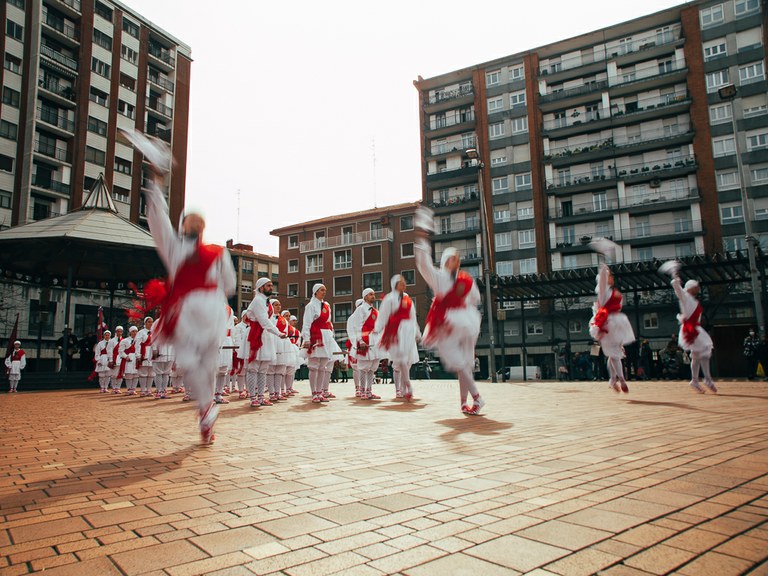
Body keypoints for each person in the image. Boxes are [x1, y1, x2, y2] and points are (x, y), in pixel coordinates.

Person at [143, 167, 237, 444]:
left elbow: (230, 285)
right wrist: (156, 186)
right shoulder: (176, 247)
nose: (195, 225)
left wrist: (214, 298)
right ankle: (206, 410)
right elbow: (157, 221)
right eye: (190, 221)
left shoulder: (216, 252)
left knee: (205, 365)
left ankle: (206, 411)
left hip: (207, 310)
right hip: (189, 311)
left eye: (199, 222)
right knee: (191, 362)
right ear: (183, 225)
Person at [414, 215, 486, 415]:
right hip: (462, 321)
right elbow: (424, 265)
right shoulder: (441, 276)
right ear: (446, 261)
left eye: (457, 258)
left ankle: (476, 398)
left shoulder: (463, 279)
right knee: (463, 364)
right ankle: (464, 403)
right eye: (453, 258)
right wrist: (422, 241)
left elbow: (474, 299)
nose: (456, 261)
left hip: (455, 322)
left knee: (462, 363)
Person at [589, 263, 635, 393]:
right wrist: (604, 268)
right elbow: (602, 281)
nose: (612, 277)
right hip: (608, 323)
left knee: (614, 354)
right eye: (610, 276)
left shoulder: (611, 291)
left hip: (616, 322)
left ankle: (614, 380)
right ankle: (620, 379)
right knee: (614, 354)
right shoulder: (603, 291)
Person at [239, 278, 285, 408]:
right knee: (253, 368)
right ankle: (253, 397)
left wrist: (276, 332)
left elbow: (268, 321)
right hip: (256, 334)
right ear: (261, 288)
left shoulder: (266, 301)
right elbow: (263, 320)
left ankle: (260, 396)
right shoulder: (258, 300)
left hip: (265, 335)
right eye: (268, 286)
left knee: (263, 368)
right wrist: (278, 333)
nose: (271, 287)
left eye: (271, 285)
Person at [376, 274, 420, 401]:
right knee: (400, 360)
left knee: (407, 361)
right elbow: (383, 315)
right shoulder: (389, 298)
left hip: (408, 331)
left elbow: (413, 317)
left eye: (404, 282)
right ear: (395, 285)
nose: (404, 284)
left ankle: (405, 387)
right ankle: (403, 388)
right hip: (395, 331)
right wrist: (377, 328)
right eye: (401, 282)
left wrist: (417, 332)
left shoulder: (407, 298)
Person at [672, 277, 717, 393]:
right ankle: (706, 379)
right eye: (696, 286)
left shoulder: (692, 299)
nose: (698, 288)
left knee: (697, 355)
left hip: (694, 328)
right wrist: (675, 281)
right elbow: (678, 290)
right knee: (704, 350)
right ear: (690, 288)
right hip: (690, 328)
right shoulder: (685, 297)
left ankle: (696, 380)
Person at [302, 283, 342, 403]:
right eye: (321, 290)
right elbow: (307, 323)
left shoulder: (327, 305)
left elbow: (328, 322)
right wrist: (307, 339)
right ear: (315, 292)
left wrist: (331, 334)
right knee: (314, 366)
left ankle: (320, 392)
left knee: (323, 366)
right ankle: (314, 393)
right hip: (315, 335)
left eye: (325, 290)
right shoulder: (310, 306)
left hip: (326, 336)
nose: (324, 292)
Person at [346, 288, 380, 400]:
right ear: (365, 297)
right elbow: (357, 326)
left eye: (373, 294)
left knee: (372, 367)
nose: (373, 296)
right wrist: (360, 340)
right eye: (370, 294)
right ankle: (362, 391)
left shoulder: (375, 310)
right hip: (365, 340)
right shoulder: (360, 309)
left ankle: (369, 391)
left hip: (374, 340)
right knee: (364, 367)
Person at [134, 316, 156, 397]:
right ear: (145, 323)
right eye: (149, 322)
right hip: (144, 353)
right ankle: (143, 390)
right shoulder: (141, 332)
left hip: (152, 353)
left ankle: (149, 390)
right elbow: (137, 344)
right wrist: (138, 355)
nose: (150, 323)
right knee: (143, 373)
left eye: (151, 322)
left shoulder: (154, 332)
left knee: (151, 373)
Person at [118, 326, 140, 395]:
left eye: (136, 331)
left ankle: (133, 389)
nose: (135, 333)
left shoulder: (140, 340)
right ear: (130, 332)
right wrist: (126, 356)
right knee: (129, 374)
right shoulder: (125, 341)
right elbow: (120, 351)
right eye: (133, 331)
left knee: (136, 374)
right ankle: (129, 389)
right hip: (129, 358)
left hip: (137, 358)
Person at [230, 315, 247, 399]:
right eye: (245, 316)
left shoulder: (252, 326)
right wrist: (239, 352)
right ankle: (241, 390)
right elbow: (236, 339)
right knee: (241, 372)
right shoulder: (238, 327)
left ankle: (249, 390)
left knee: (250, 371)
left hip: (250, 352)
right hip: (241, 352)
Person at [107, 326, 124, 393]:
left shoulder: (124, 340)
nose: (119, 333)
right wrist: (111, 360)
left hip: (122, 359)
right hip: (114, 359)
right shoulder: (112, 341)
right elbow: (109, 351)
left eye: (121, 331)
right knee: (114, 375)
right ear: (116, 332)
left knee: (120, 374)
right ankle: (114, 388)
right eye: (118, 331)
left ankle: (118, 388)